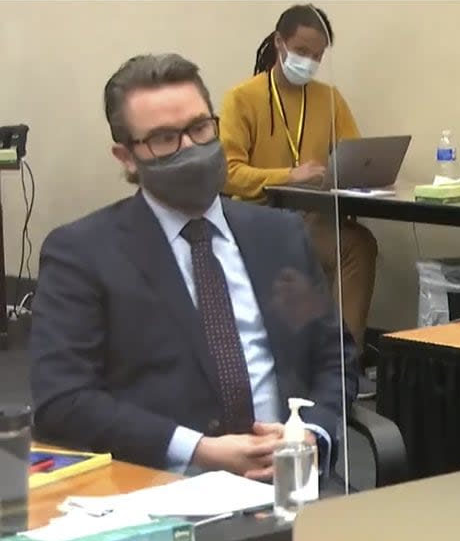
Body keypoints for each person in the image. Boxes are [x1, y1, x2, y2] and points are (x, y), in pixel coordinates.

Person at [29, 53, 357, 480]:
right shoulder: (84, 254)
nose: (191, 148)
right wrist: (200, 450)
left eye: (201, 128)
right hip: (164, 494)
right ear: (127, 157)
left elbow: (334, 357)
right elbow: (62, 399)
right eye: (165, 138)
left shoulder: (278, 236)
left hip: (291, 482)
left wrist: (310, 434)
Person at [219, 3, 377, 365]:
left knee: (358, 245)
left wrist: (361, 174)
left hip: (311, 216)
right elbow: (227, 173)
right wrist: (289, 176)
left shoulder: (328, 98)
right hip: (257, 218)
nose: (308, 61)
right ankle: (309, 358)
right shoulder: (242, 98)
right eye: (302, 51)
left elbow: (353, 155)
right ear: (280, 43)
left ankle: (344, 361)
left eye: (317, 55)